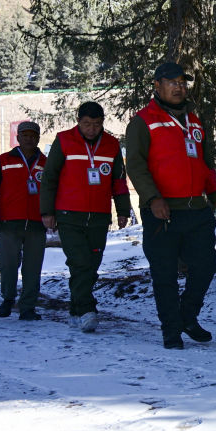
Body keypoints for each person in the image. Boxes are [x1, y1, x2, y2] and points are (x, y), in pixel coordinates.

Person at [126, 62, 216, 350]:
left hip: (197, 210)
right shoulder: (143, 121)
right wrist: (153, 198)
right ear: (157, 85)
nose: (179, 87)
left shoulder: (194, 121)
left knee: (205, 267)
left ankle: (187, 316)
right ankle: (171, 329)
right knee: (165, 273)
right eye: (172, 82)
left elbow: (205, 164)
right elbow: (135, 165)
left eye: (183, 82)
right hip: (163, 212)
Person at [40, 102, 130, 333]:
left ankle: (74, 308)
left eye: (97, 124)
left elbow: (118, 180)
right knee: (80, 262)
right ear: (78, 121)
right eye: (87, 124)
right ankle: (88, 309)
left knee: (91, 265)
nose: (92, 129)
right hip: (69, 214)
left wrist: (122, 210)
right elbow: (49, 178)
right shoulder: (64, 140)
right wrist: (47, 212)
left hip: (99, 215)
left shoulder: (111, 144)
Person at [0, 121, 47, 321]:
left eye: (33, 135)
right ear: (17, 138)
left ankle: (27, 307)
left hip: (37, 224)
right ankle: (8, 298)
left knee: (33, 269)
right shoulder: (3, 161)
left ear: (38, 138)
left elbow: (55, 191)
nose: (29, 138)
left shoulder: (47, 162)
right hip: (8, 223)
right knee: (7, 265)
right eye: (24, 135)